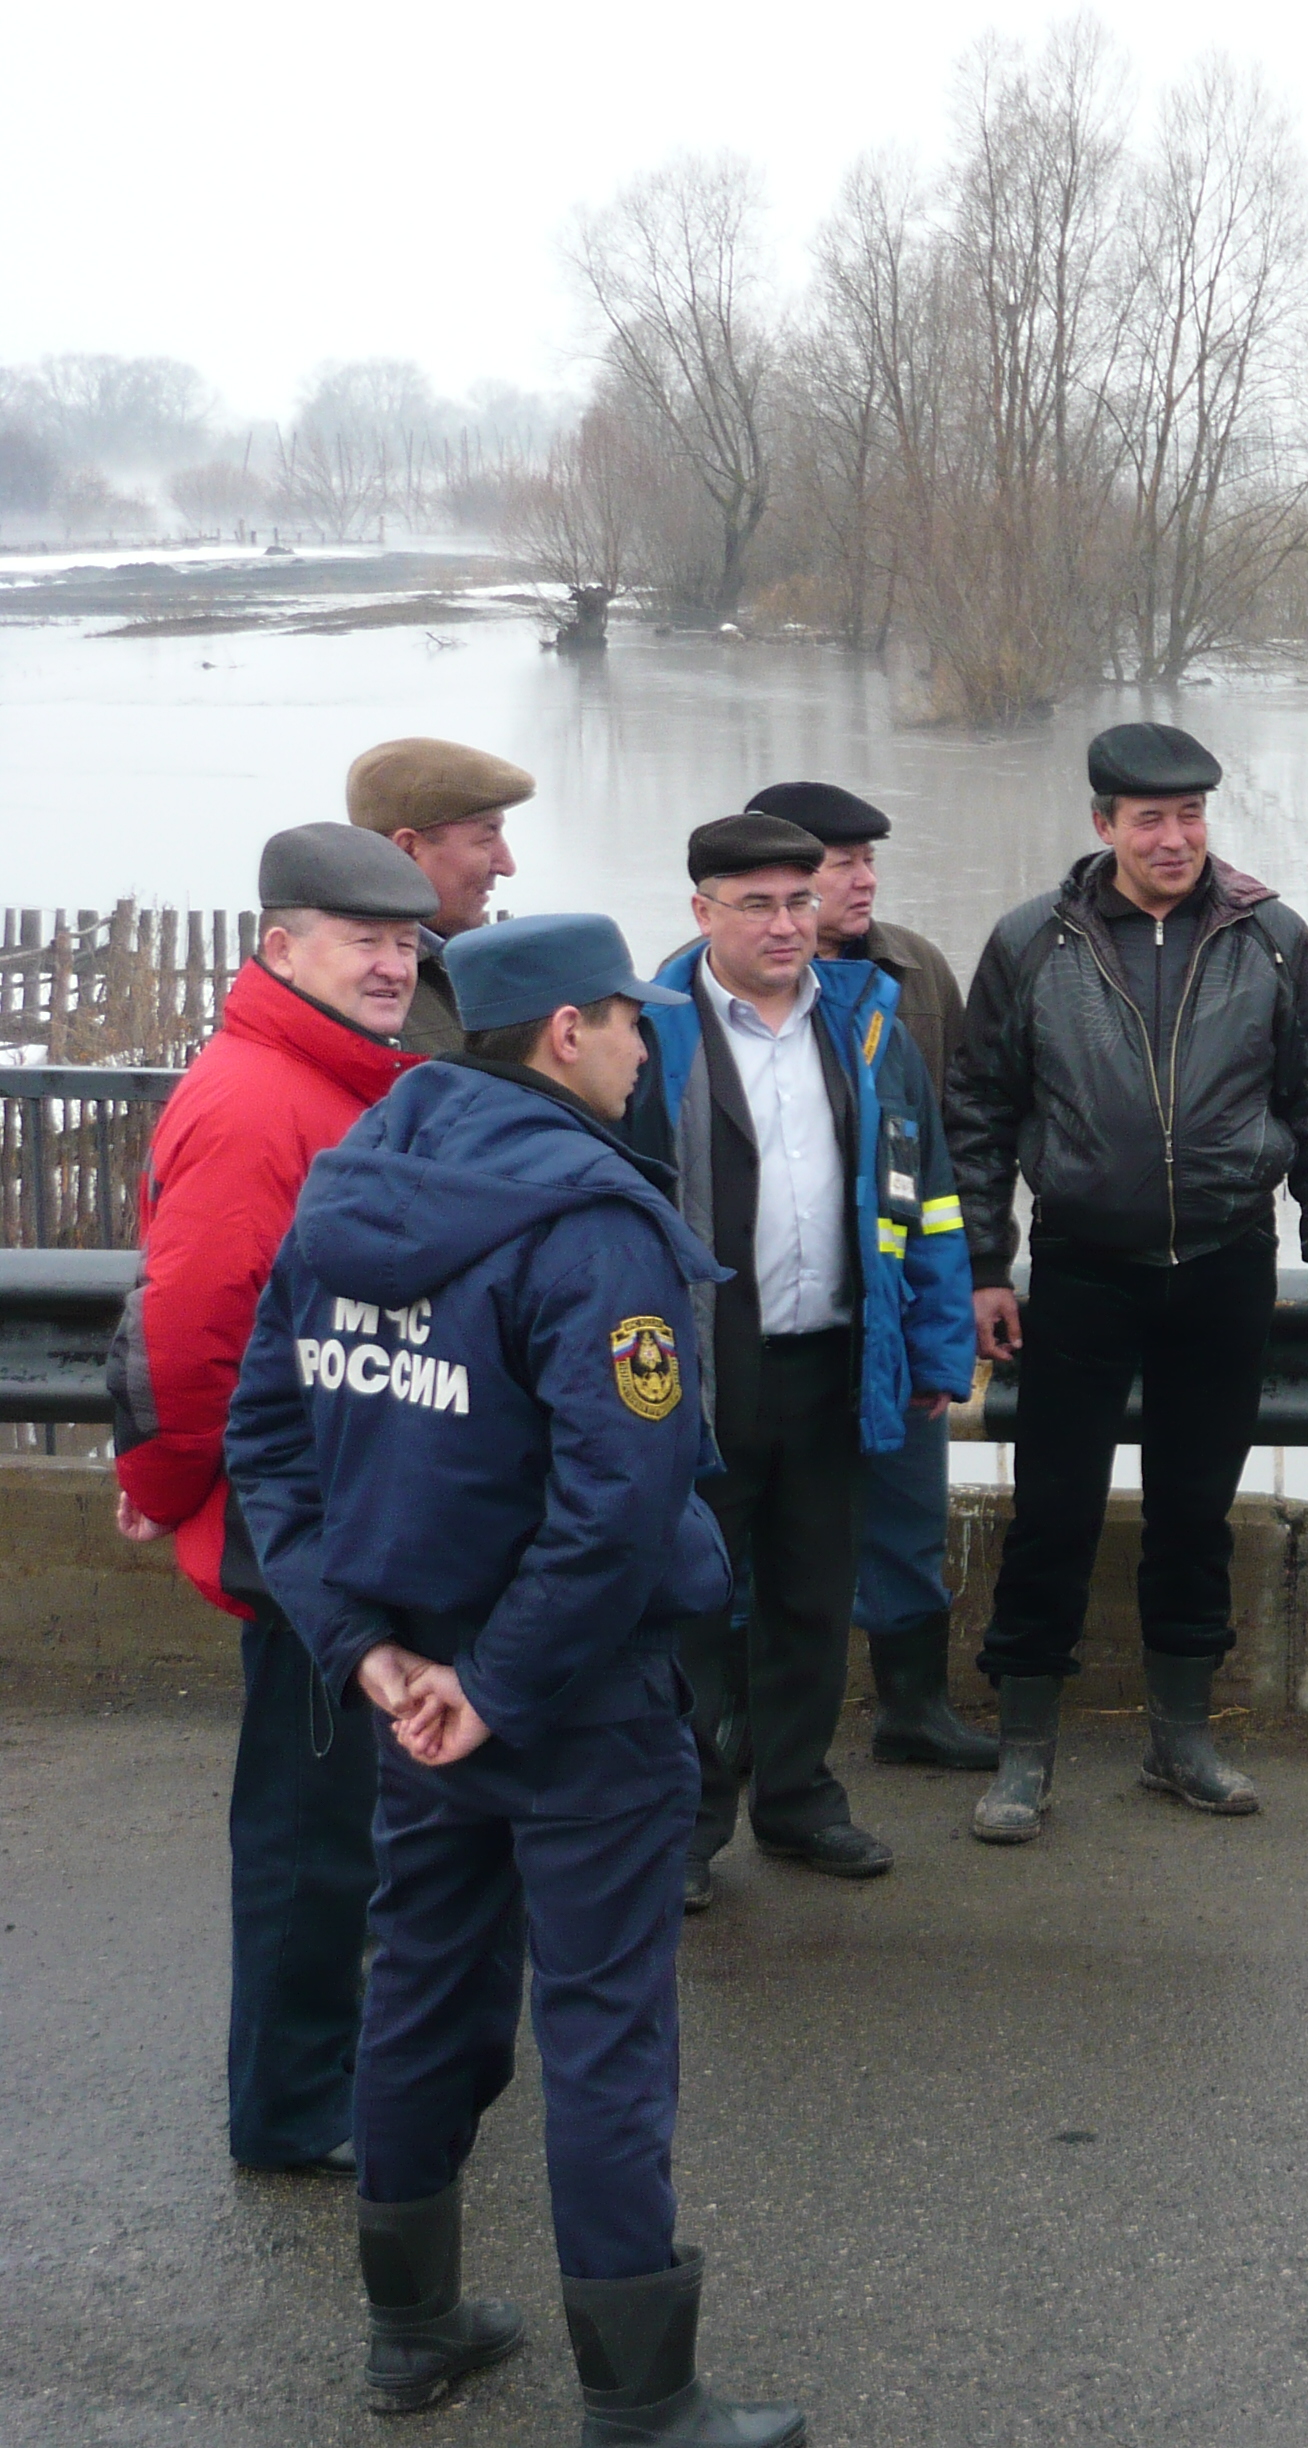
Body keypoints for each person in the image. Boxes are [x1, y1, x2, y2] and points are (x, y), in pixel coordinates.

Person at [225, 915, 804, 2443]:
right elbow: (623, 1498)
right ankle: (644, 2398)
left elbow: (270, 1447)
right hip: (574, 1698)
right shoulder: (591, 1223)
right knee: (606, 2030)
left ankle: (410, 2331)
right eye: (631, 1027)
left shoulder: (353, 1182)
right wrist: (497, 1680)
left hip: (418, 1691)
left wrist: (371, 1654)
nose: (642, 1053)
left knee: (418, 1991)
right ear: (565, 1032)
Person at [946, 720, 1308, 1842]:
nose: (1174, 838)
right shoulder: (1033, 942)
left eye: (1190, 817)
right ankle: (1025, 1753)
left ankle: (1182, 1740)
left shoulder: (1270, 938)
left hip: (1226, 1266)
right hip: (1083, 1271)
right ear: (1104, 826)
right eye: (1150, 820)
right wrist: (987, 1266)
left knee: (1195, 1514)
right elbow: (979, 1115)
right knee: (1053, 1515)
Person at [106, 824, 433, 2176]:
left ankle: (324, 2081)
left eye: (408, 944)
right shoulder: (260, 1103)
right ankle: (295, 2113)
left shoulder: (332, 1081)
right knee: (309, 1841)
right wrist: (173, 1484)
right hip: (305, 1527)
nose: (394, 967)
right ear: (280, 946)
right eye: (365, 941)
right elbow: (194, 1338)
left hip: (341, 1507)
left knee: (339, 1822)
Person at [625, 813, 976, 1911]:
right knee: (694, 1603)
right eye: (758, 905)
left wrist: (935, 1337)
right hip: (702, 1372)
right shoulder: (649, 1029)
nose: (786, 926)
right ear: (702, 913)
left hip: (836, 1355)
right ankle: (686, 1824)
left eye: (799, 902)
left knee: (815, 1597)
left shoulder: (869, 1023)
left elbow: (928, 1198)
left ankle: (801, 1801)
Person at [738, 778, 991, 1772]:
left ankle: (913, 1710)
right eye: (840, 865)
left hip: (886, 1308)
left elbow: (954, 1140)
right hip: (764, 1316)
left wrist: (967, 1278)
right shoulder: (686, 989)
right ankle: (741, 1733)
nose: (862, 881)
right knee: (756, 1531)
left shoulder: (915, 971)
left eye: (867, 861)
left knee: (906, 1510)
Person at [346, 737, 528, 1055]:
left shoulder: (453, 966)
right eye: (487, 837)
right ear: (408, 849)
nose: (507, 865)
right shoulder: (366, 992)